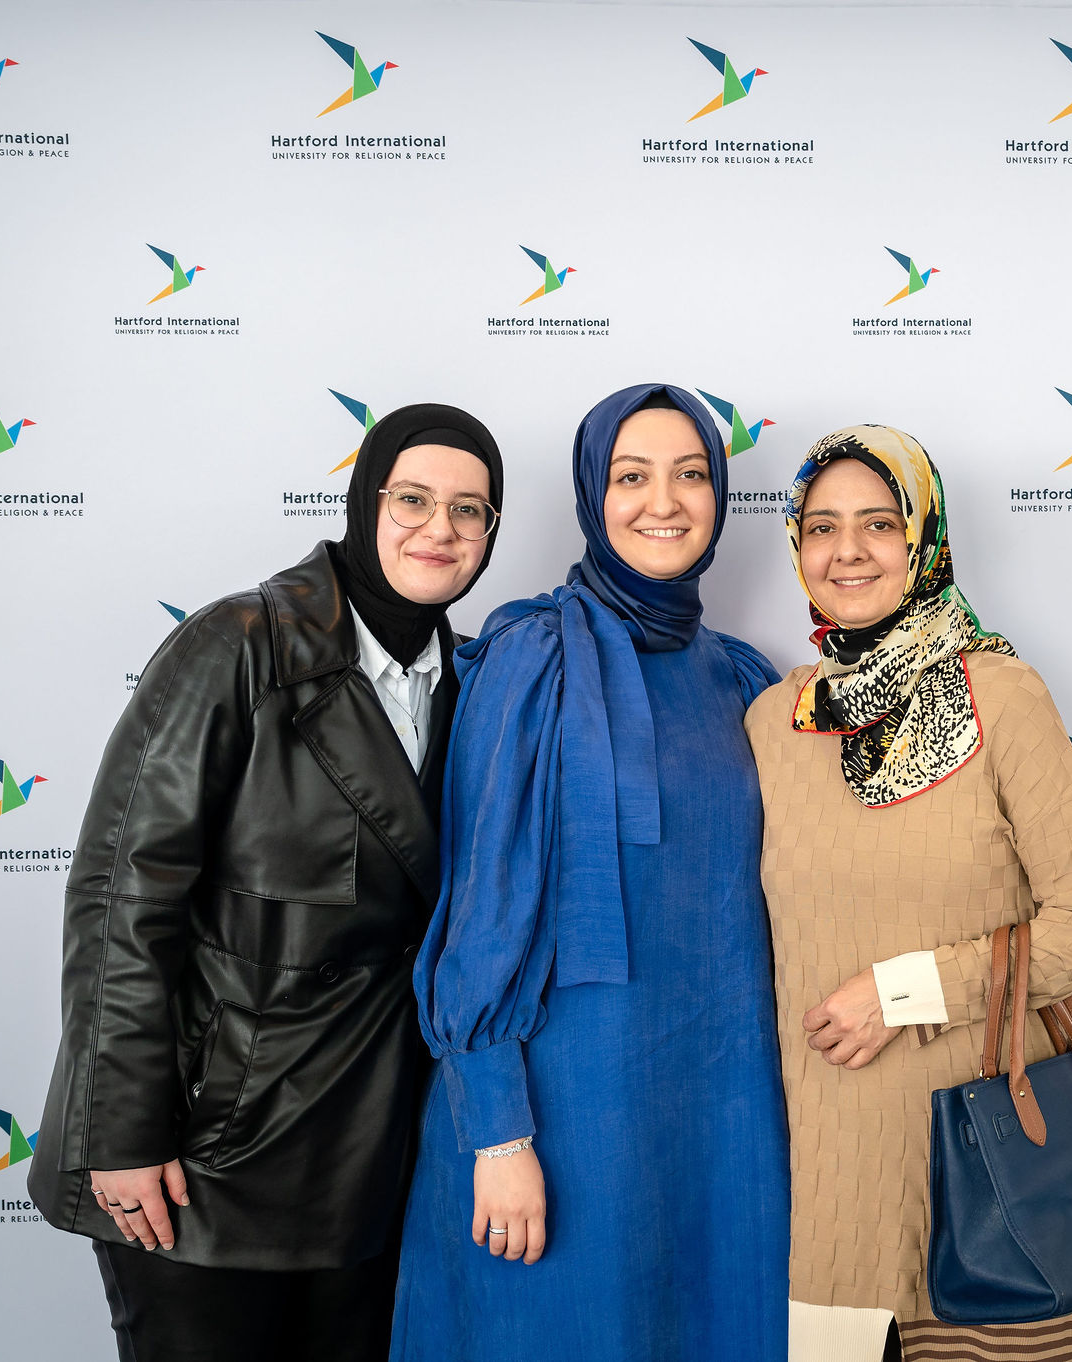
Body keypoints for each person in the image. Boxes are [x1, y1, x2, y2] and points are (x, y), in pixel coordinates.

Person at [28, 405, 505, 1362]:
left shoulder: (473, 677)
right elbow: (123, 898)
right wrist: (120, 1130)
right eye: (412, 499)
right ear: (363, 500)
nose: (439, 529)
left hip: (373, 1164)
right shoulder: (238, 645)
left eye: (470, 510)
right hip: (203, 1158)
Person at [392, 384, 788, 1361]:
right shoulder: (533, 656)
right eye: (631, 475)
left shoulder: (743, 676)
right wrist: (496, 1132)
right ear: (589, 493)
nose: (665, 500)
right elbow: (482, 907)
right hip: (560, 1117)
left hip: (722, 1121)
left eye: (691, 474)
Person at [745, 426, 1072, 1362]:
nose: (848, 550)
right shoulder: (772, 720)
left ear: (924, 541)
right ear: (795, 544)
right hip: (829, 1186)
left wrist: (905, 991)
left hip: (994, 1172)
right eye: (822, 526)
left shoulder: (1002, 695)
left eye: (879, 523)